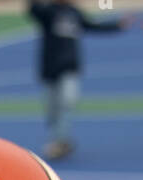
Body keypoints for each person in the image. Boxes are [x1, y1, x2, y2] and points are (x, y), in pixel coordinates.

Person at [27, 1, 127, 160]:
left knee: (67, 101)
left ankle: (60, 142)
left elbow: (91, 26)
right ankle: (59, 138)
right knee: (52, 110)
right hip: (50, 68)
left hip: (70, 67)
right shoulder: (48, 12)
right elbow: (33, 9)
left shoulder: (73, 12)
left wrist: (117, 25)